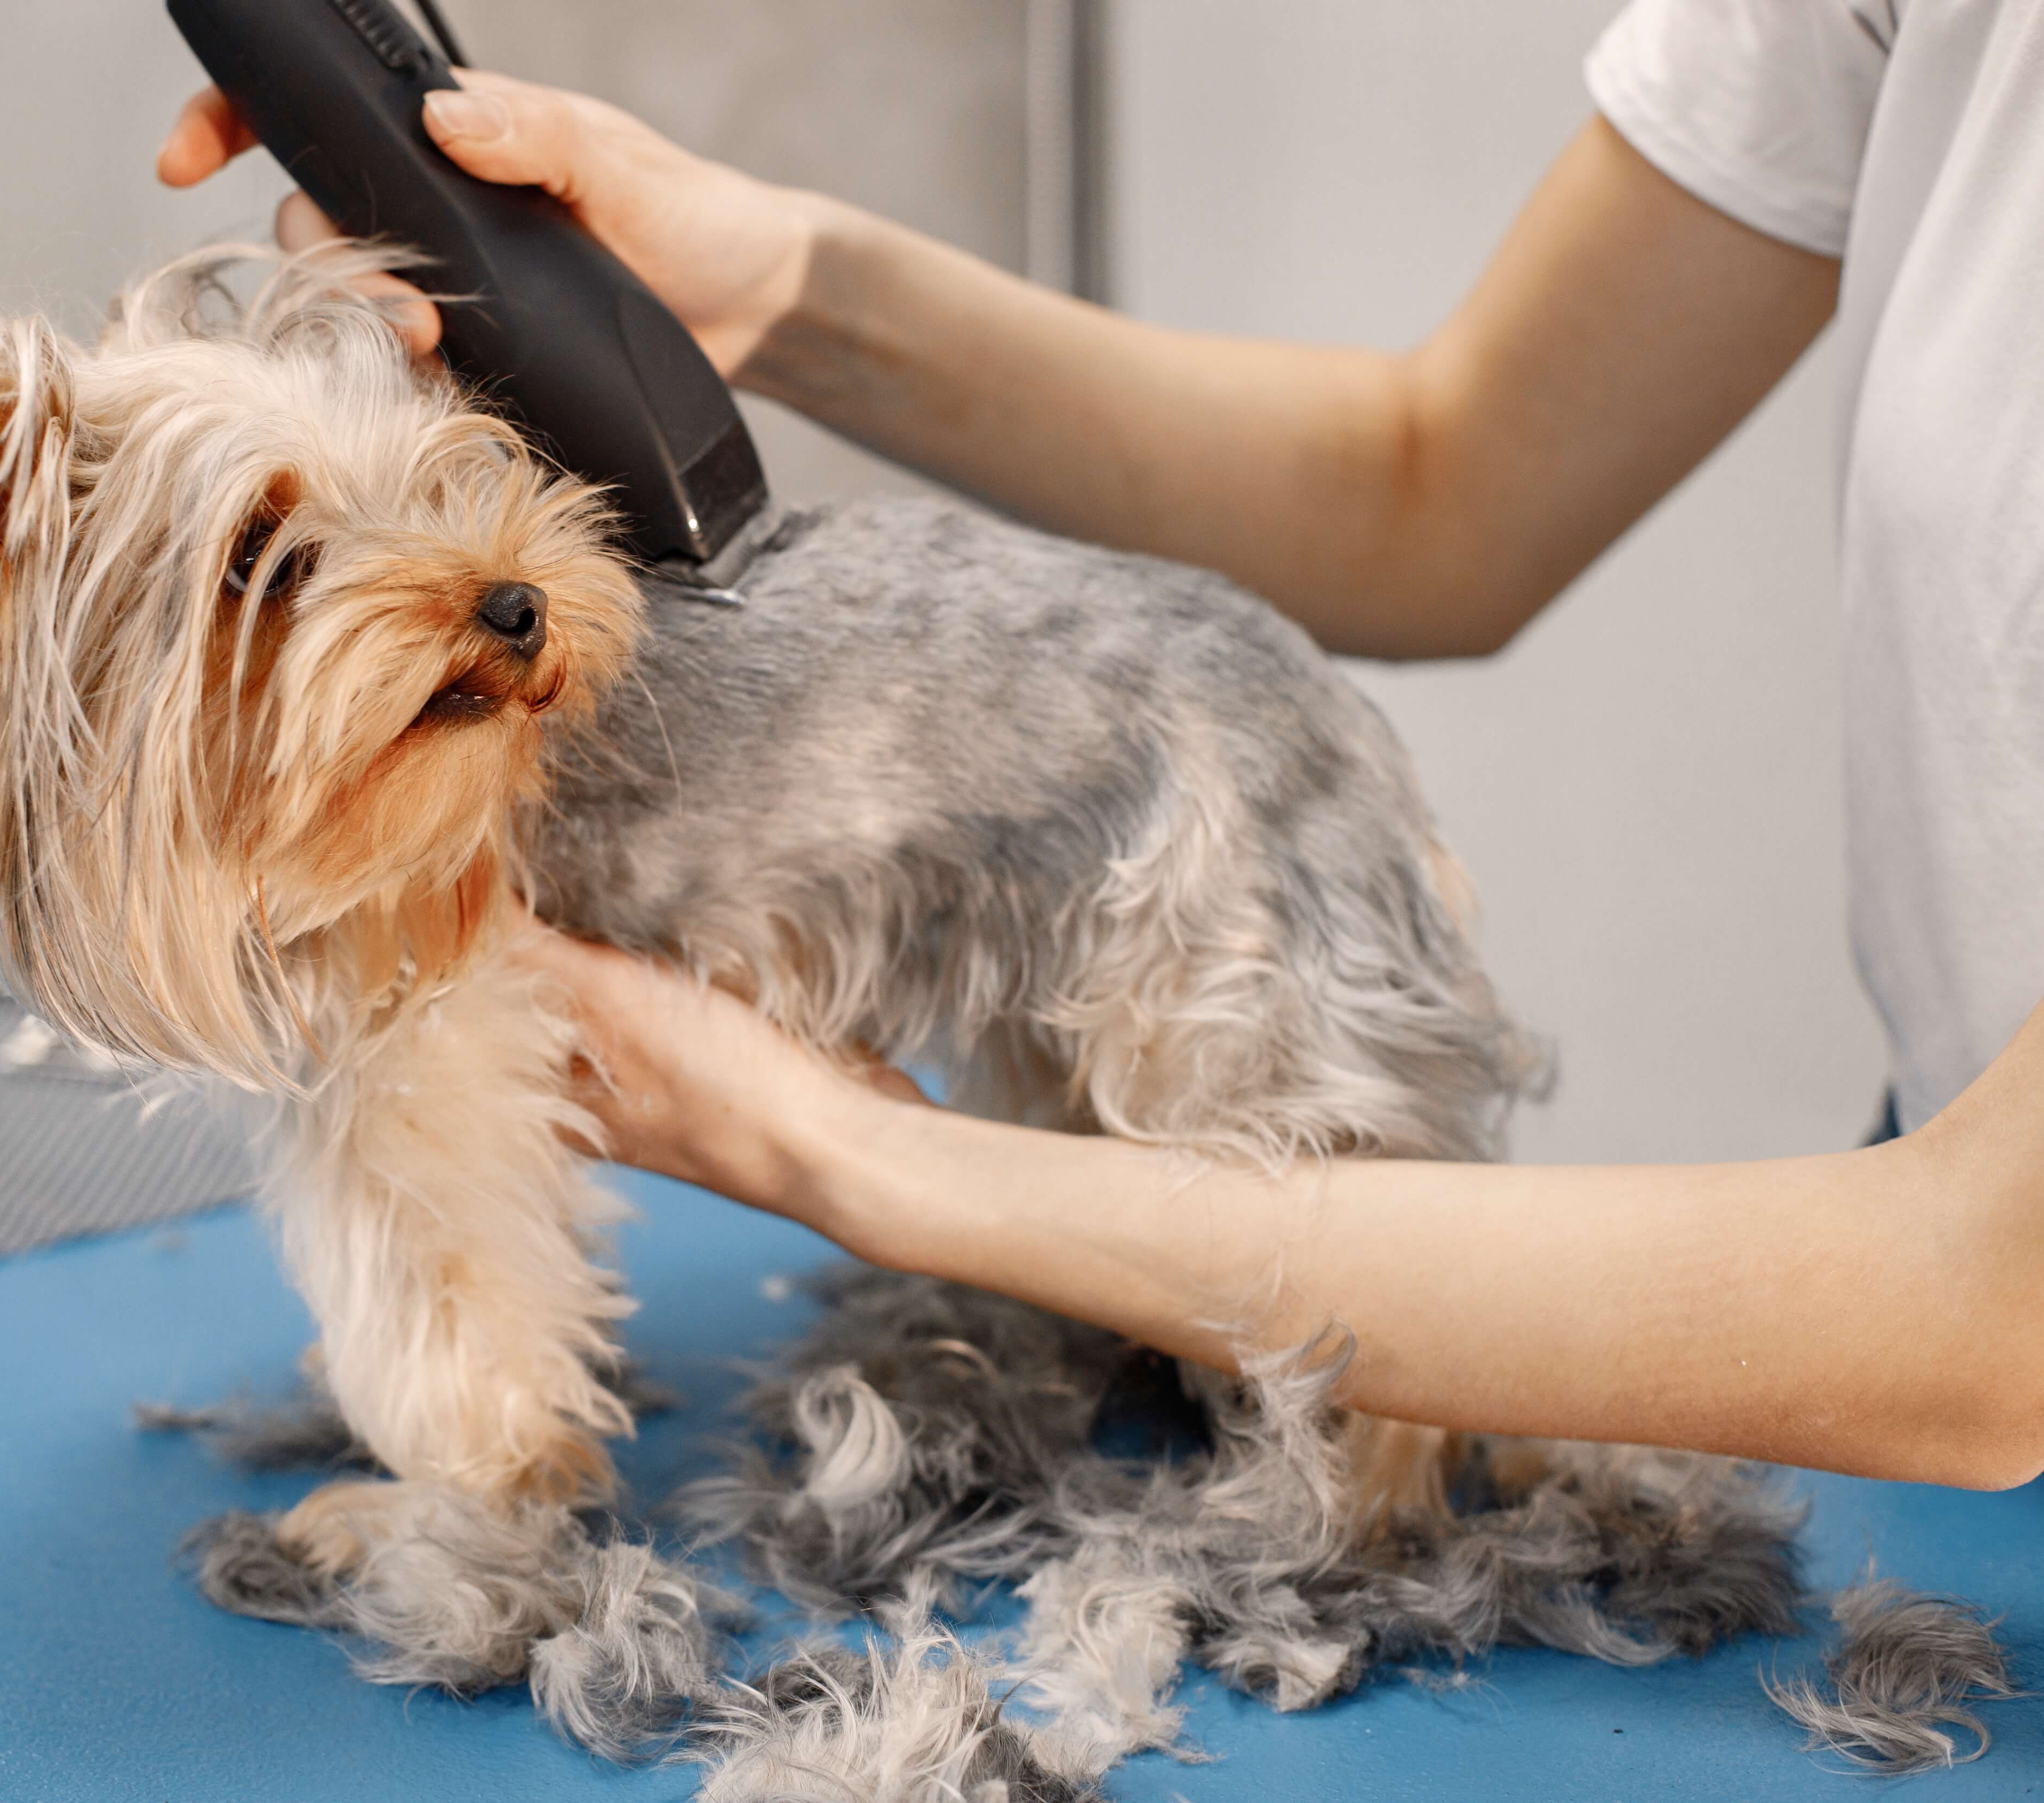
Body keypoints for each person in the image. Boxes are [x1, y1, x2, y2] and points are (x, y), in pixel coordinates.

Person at [154, 0, 2044, 1492]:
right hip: (1920, 1167)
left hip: (1945, 1319)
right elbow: (1443, 488)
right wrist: (784, 281)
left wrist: (843, 1150)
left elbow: (1985, 1318)